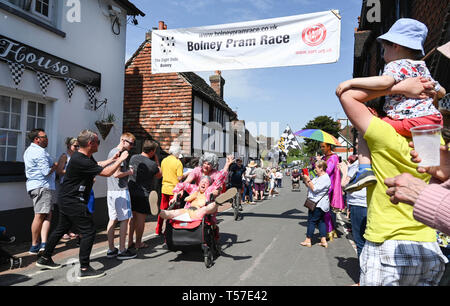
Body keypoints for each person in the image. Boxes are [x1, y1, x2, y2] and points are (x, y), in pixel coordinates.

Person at [337, 75, 447, 285]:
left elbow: (347, 96)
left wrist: (401, 87)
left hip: (386, 244)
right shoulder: (433, 138)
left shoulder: (382, 134)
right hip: (428, 245)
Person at [337, 18, 446, 193]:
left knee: (365, 130)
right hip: (431, 122)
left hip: (407, 122)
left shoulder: (395, 65)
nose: (382, 54)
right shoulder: (422, 68)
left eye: (384, 48)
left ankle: (364, 170)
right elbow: (441, 92)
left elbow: (384, 81)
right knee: (429, 168)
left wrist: (351, 82)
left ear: (396, 45)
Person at [36, 129, 129, 280]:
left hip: (67, 199)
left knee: (61, 228)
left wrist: (113, 159)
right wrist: (120, 160)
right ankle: (85, 268)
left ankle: (45, 258)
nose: (99, 144)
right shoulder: (81, 159)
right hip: (73, 200)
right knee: (89, 231)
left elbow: (98, 165)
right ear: (91, 143)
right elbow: (106, 173)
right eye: (98, 142)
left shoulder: (85, 157)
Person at [23, 128, 61, 255]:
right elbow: (46, 171)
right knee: (40, 215)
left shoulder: (30, 151)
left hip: (37, 186)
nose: (47, 139)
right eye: (44, 137)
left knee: (46, 214)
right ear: (37, 139)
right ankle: (34, 245)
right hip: (42, 186)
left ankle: (44, 243)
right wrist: (56, 166)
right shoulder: (39, 152)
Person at [106, 133, 136, 260]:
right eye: (130, 143)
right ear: (123, 141)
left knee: (112, 219)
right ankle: (122, 250)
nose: (132, 146)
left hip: (111, 190)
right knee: (124, 219)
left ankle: (111, 249)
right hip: (120, 190)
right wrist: (129, 172)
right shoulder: (120, 153)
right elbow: (117, 174)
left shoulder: (112, 151)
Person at [128, 140, 162, 249]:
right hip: (143, 194)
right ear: (152, 151)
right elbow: (159, 175)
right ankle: (138, 243)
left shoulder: (133, 157)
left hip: (131, 190)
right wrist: (157, 161)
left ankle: (129, 242)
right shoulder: (152, 164)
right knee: (140, 219)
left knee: (132, 218)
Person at [300, 160, 331, 248]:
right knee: (321, 221)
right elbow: (309, 186)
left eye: (316, 168)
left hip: (318, 204)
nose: (315, 170)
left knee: (311, 221)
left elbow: (315, 189)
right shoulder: (318, 177)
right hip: (317, 202)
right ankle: (323, 240)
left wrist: (308, 179)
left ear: (321, 168)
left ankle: (308, 239)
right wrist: (306, 179)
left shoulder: (325, 178)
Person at [56, 137, 80, 241]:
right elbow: (59, 170)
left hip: (74, 186)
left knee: (72, 209)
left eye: (78, 146)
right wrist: (72, 172)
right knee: (65, 209)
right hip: (65, 186)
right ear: (69, 146)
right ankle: (64, 232)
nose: (77, 148)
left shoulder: (76, 157)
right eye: (75, 146)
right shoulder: (64, 156)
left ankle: (70, 229)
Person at [320, 142, 344, 242]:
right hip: (323, 186)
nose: (321, 148)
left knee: (325, 210)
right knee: (324, 210)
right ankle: (330, 230)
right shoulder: (324, 157)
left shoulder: (333, 157)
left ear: (329, 146)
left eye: (323, 147)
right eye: (320, 147)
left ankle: (329, 230)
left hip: (329, 187)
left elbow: (328, 171)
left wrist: (320, 167)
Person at [157, 145, 184, 235]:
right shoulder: (178, 162)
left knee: (162, 210)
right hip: (174, 190)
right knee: (172, 211)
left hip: (164, 187)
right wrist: (186, 174)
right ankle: (169, 230)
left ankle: (158, 229)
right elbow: (179, 177)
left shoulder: (164, 160)